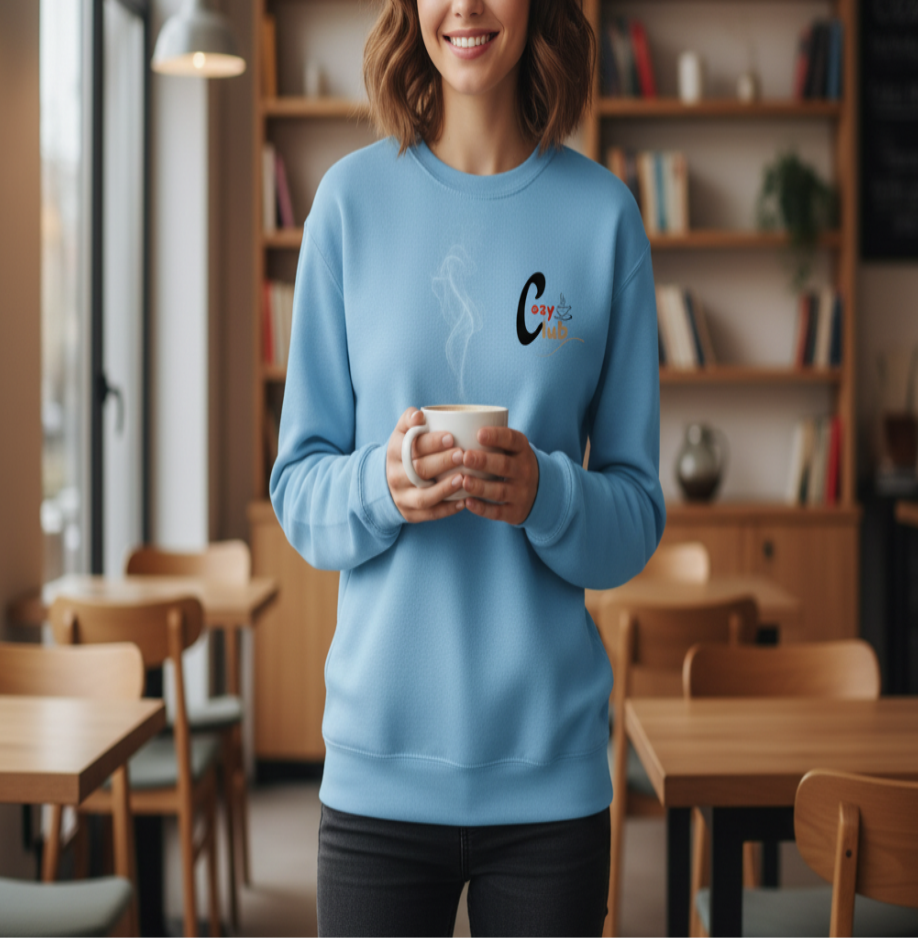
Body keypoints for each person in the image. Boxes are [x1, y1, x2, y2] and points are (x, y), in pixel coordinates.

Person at [269, 0, 665, 934]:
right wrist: (382, 485)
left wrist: (547, 492)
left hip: (551, 788)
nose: (468, 8)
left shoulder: (604, 217)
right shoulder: (347, 204)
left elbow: (636, 514)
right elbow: (297, 486)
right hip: (374, 776)